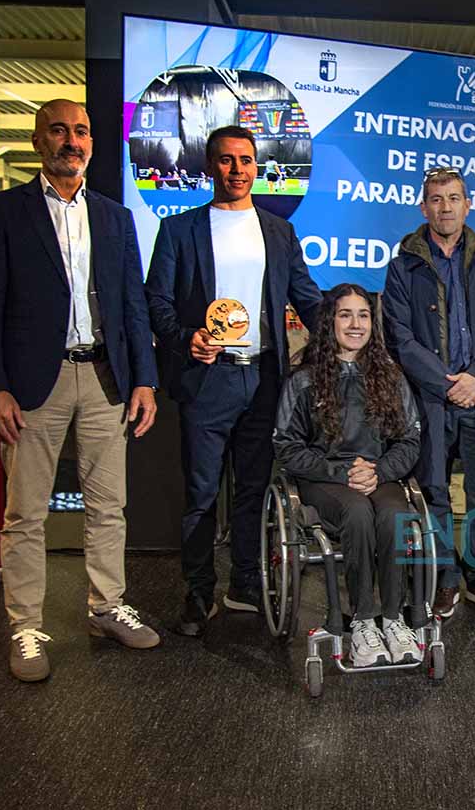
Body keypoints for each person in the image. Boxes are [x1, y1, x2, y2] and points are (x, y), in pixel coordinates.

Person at [0, 98, 160, 682]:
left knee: (109, 507)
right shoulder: (3, 211)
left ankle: (106, 607)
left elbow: (133, 306)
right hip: (32, 383)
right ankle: (26, 626)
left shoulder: (114, 215)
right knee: (25, 513)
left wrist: (145, 378)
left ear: (93, 143)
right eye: (59, 130)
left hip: (105, 377)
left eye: (81, 131)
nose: (71, 141)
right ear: (37, 141)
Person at [145, 126, 322, 637]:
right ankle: (199, 593)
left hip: (265, 377)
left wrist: (347, 338)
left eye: (246, 160)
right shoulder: (179, 230)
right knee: (202, 494)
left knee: (252, 490)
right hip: (207, 379)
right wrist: (185, 338)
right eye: (226, 160)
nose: (237, 170)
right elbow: (157, 299)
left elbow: (306, 296)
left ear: (257, 166)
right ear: (210, 166)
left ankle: (245, 581)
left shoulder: (278, 231)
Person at [382, 167, 475, 619]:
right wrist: (446, 382)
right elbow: (399, 336)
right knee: (433, 489)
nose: (445, 207)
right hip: (432, 399)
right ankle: (445, 578)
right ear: (424, 208)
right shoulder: (403, 267)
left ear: (467, 205)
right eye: (436, 199)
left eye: (454, 198)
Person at [274, 284, 423, 666]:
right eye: (345, 315)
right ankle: (362, 622)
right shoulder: (304, 380)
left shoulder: (390, 376)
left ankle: (392, 618)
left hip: (379, 475)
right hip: (325, 480)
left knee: (393, 515)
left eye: (363, 315)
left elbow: (408, 439)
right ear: (330, 322)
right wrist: (340, 472)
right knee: (357, 512)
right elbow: (288, 446)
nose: (356, 324)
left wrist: (379, 471)